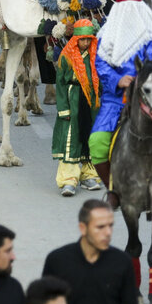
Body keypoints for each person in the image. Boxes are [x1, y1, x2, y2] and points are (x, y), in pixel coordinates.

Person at [89, 0, 152, 208]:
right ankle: (113, 189)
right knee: (97, 142)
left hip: (150, 96)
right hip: (116, 99)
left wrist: (140, 81)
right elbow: (100, 64)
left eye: (134, 6)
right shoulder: (106, 36)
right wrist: (118, 80)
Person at [42, 200, 140, 304]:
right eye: (100, 227)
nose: (108, 233)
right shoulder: (57, 261)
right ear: (83, 228)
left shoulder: (122, 262)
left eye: (110, 226)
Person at [53, 19, 103, 197]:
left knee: (90, 137)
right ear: (76, 39)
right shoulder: (66, 56)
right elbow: (60, 83)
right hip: (72, 98)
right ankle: (68, 180)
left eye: (89, 39)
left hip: (90, 102)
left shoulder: (95, 55)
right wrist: (63, 108)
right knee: (71, 139)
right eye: (82, 39)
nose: (86, 43)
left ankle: (89, 175)